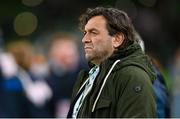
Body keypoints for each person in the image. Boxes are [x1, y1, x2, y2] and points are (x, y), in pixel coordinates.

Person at [67, 7, 157, 118]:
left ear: (117, 39)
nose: (84, 39)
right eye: (85, 32)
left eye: (93, 33)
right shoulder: (87, 77)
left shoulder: (133, 76)